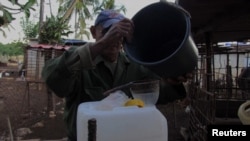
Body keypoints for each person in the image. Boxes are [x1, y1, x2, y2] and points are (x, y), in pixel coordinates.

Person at [42, 9, 193, 141]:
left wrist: (172, 82)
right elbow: (54, 79)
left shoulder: (135, 66)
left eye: (121, 33)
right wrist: (102, 44)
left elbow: (155, 95)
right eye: (108, 31)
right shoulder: (79, 63)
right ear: (94, 32)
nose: (115, 39)